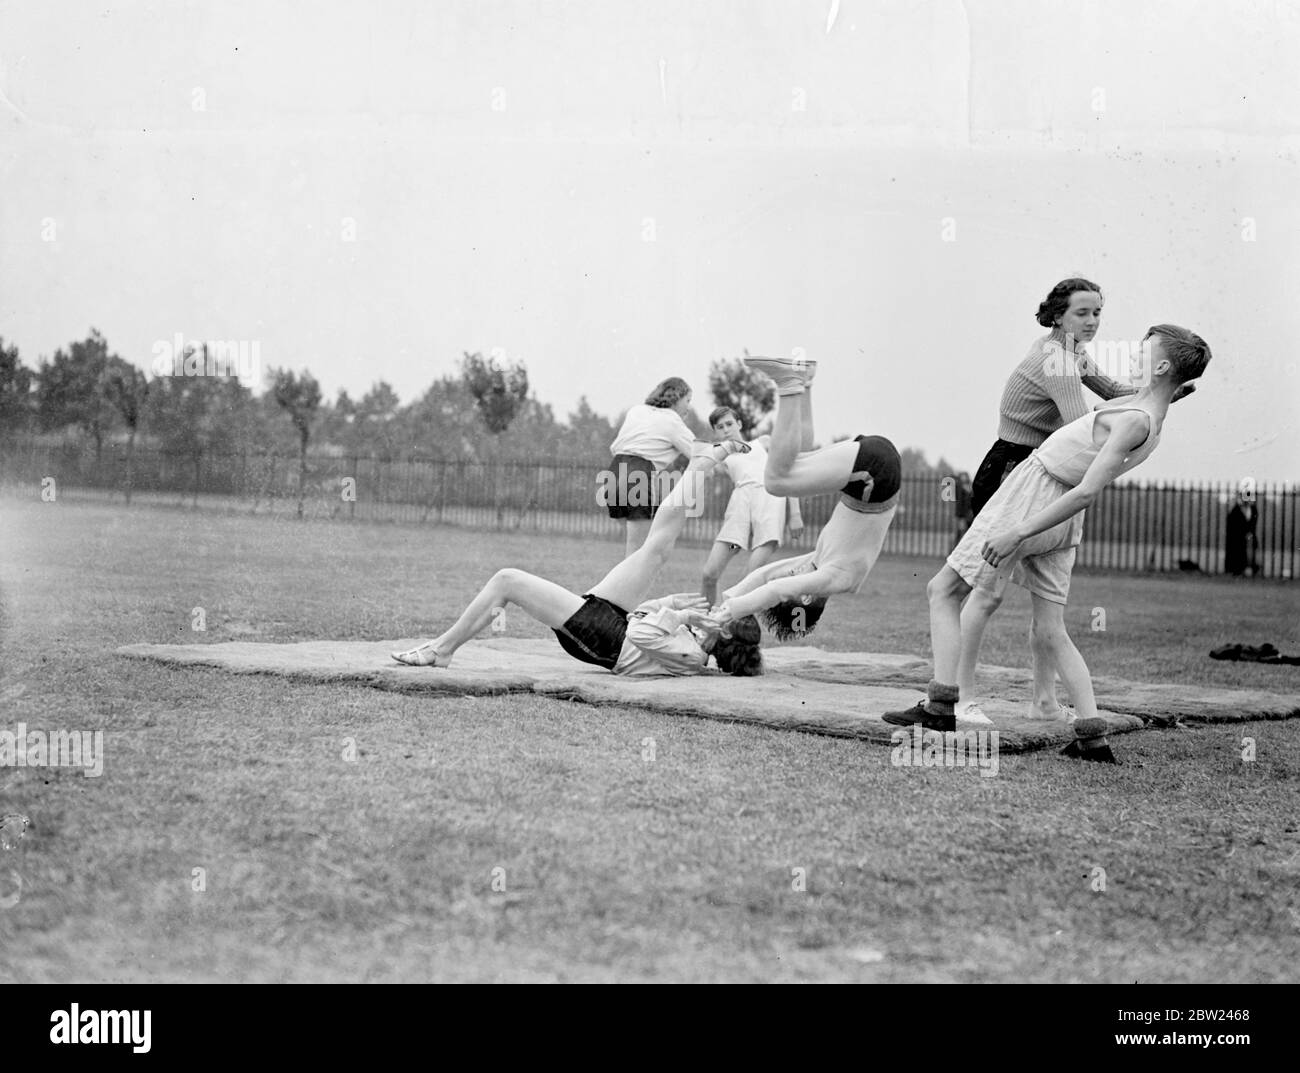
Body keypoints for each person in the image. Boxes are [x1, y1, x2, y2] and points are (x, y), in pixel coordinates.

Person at [882, 324, 1211, 763]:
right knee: (1050, 630)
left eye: (1145, 353)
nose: (1135, 356)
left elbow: (1087, 490)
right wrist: (1172, 390)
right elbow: (1132, 396)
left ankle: (941, 706)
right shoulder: (1148, 415)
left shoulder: (1134, 419)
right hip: (1062, 518)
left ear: (1164, 366)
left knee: (941, 589)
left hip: (1038, 496)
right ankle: (1093, 738)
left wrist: (1018, 530)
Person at [959, 278, 1193, 720]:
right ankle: (955, 697)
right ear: (1057, 315)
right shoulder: (1058, 361)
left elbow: (1111, 395)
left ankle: (1043, 701)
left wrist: (1166, 393)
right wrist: (1153, 400)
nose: (1092, 322)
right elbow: (1081, 426)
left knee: (1039, 604)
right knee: (975, 590)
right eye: (1081, 313)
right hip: (1016, 469)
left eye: (1097, 313)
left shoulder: (1071, 353)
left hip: (1047, 472)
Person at [393, 441, 763, 677]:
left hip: (604, 639)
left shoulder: (692, 656)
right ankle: (703, 463)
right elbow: (645, 618)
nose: (721, 609)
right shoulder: (694, 642)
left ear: (726, 631)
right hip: (613, 622)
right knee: (656, 551)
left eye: (728, 614)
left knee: (507, 580)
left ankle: (441, 651)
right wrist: (669, 604)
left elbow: (642, 634)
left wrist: (677, 615)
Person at [711, 354, 900, 641]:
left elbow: (765, 577)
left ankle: (804, 382)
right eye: (795, 581)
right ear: (807, 597)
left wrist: (725, 604)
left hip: (870, 477)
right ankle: (789, 383)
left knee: (792, 459)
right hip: (875, 478)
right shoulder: (839, 578)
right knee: (775, 481)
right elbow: (776, 590)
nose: (793, 573)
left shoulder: (823, 565)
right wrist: (730, 614)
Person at [699, 406, 804, 606]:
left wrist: (795, 514)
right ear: (715, 432)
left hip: (770, 497)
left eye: (729, 424)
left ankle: (730, 624)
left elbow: (787, 473)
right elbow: (702, 469)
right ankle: (704, 623)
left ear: (739, 424)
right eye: (720, 427)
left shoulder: (762, 443)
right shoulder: (720, 456)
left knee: (749, 578)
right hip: (740, 501)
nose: (726, 429)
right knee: (709, 574)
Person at [604, 377, 698, 557]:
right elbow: (700, 454)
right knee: (639, 554)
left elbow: (616, 446)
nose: (688, 407)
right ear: (677, 398)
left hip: (613, 473)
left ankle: (624, 583)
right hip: (638, 472)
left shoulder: (636, 411)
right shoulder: (673, 421)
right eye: (687, 401)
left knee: (636, 548)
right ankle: (628, 585)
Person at [1225, 491, 1260, 577]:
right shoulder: (1236, 510)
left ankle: (1250, 569)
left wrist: (1250, 533)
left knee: (1251, 553)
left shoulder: (1253, 509)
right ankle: (1238, 570)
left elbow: (1253, 523)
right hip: (1238, 537)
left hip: (1250, 536)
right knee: (1239, 553)